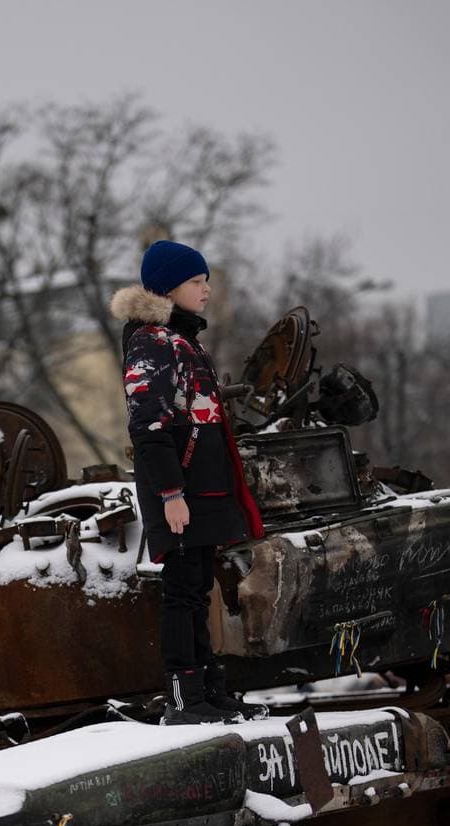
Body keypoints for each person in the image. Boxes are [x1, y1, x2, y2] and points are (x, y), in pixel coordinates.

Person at [111, 240, 263, 724]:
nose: (207, 289)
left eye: (205, 280)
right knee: (181, 591)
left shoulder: (181, 341)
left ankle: (209, 691)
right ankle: (183, 700)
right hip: (177, 493)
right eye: (197, 281)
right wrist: (172, 494)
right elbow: (149, 426)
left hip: (201, 490)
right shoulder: (151, 342)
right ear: (170, 287)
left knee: (198, 589)